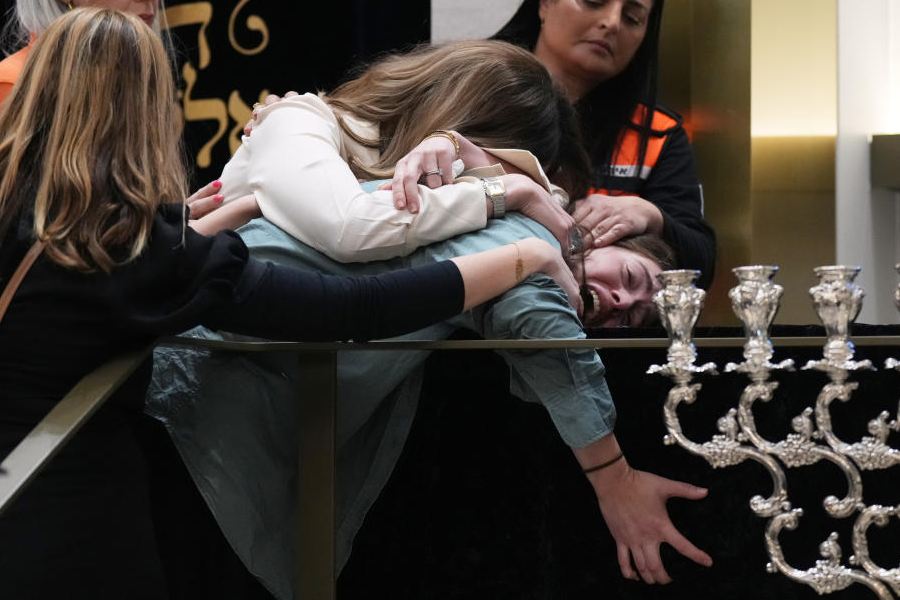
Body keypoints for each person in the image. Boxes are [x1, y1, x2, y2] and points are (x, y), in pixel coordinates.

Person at [0, 9, 580, 598]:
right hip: (68, 516)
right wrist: (518, 250)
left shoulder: (41, 220)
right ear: (146, 114)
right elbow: (349, 308)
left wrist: (233, 209)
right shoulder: (137, 248)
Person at [147, 42, 712, 599]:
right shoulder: (496, 212)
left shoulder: (445, 185)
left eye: (636, 317)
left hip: (206, 398)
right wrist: (614, 477)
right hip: (199, 405)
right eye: (630, 278)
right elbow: (525, 305)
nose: (620, 302)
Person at [486, 0, 717, 289]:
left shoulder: (656, 133)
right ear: (545, 3)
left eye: (632, 18)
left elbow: (701, 263)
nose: (612, 23)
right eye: (593, 1)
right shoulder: (470, 88)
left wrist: (650, 215)